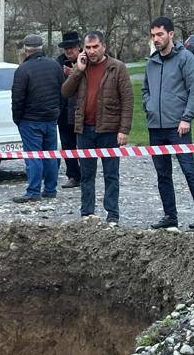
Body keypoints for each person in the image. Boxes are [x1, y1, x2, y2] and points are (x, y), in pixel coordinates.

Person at [143, 17, 194, 231]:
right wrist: (149, 106)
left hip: (178, 127)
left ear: (171, 34)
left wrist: (187, 117)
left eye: (160, 34)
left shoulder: (185, 58)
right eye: (153, 35)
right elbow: (146, 90)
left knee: (189, 170)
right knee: (162, 174)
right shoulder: (151, 62)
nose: (156, 39)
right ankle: (169, 215)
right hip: (156, 127)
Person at [60, 29, 133, 224]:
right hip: (84, 129)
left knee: (111, 174)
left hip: (109, 129)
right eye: (88, 48)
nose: (91, 51)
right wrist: (78, 70)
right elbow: (66, 92)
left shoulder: (117, 67)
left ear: (103, 47)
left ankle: (112, 214)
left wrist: (124, 130)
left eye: (95, 47)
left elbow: (127, 99)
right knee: (87, 174)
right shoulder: (81, 68)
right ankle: (87, 213)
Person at [11, 33, 63, 203]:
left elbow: (17, 98)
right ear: (42, 48)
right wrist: (56, 111)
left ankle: (33, 191)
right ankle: (50, 189)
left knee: (33, 156)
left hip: (30, 120)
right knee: (50, 154)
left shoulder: (23, 70)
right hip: (50, 118)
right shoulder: (55, 66)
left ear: (26, 50)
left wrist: (17, 119)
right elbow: (62, 91)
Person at [55, 30, 83, 188]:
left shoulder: (87, 60)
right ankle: (73, 175)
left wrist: (76, 73)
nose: (69, 51)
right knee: (67, 146)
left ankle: (86, 174)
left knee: (84, 145)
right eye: (66, 48)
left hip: (82, 111)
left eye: (72, 47)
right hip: (64, 111)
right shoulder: (59, 63)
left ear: (78, 47)